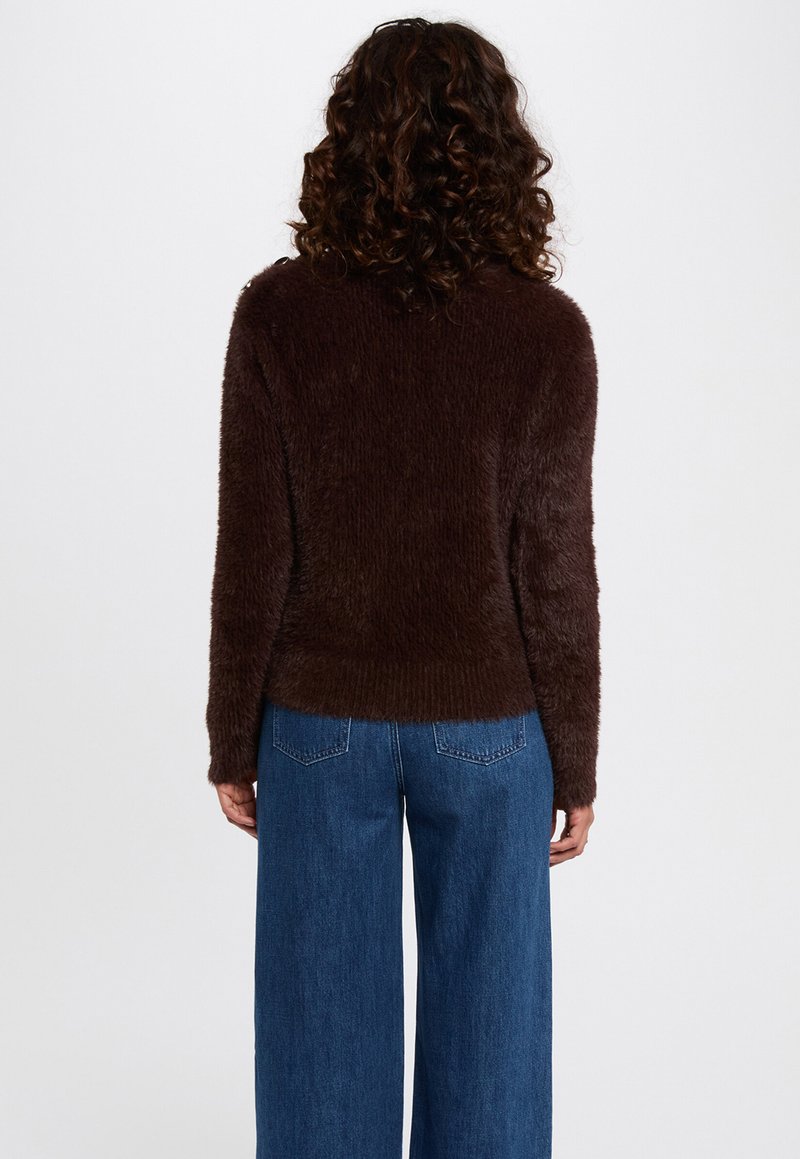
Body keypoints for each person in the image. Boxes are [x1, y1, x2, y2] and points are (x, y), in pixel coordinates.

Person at [205, 16, 600, 1159]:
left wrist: (232, 735)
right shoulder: (544, 331)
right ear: (498, 151)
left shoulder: (278, 311)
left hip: (316, 724)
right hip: (491, 729)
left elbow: (253, 546)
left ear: (347, 140)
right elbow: (554, 565)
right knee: (492, 1036)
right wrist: (574, 758)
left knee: (319, 1030)